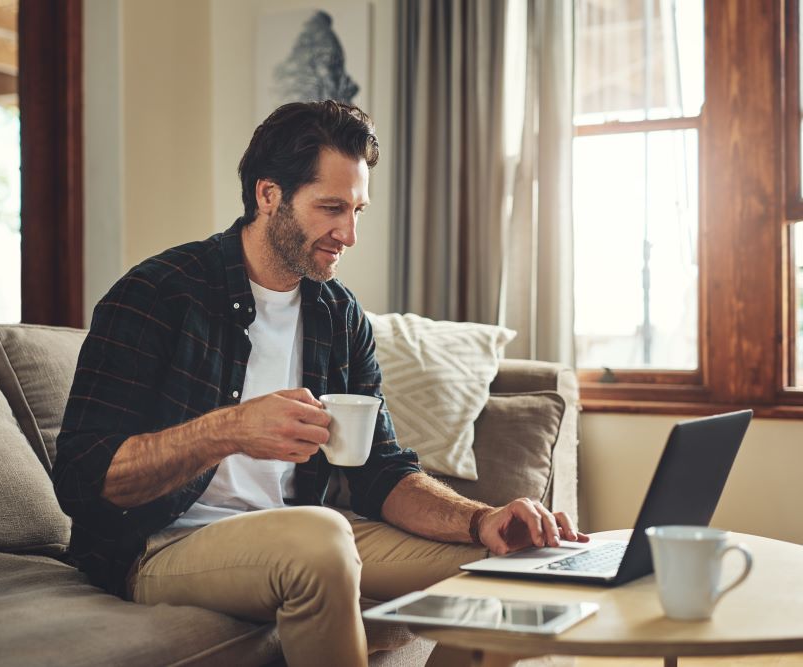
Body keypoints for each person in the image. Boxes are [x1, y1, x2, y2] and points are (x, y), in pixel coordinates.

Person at [53, 100, 587, 666]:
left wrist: (483, 520)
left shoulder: (337, 314)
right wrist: (231, 429)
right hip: (160, 546)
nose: (349, 233)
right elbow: (83, 479)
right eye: (331, 208)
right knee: (320, 537)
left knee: (508, 570)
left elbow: (383, 471)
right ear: (268, 196)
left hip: (307, 536)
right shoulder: (158, 294)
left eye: (358, 209)